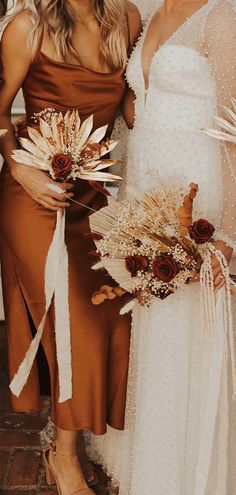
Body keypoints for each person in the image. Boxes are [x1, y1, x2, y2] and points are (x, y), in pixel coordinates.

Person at [90, 1, 236, 494]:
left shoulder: (221, 17)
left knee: (188, 324)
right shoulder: (152, 15)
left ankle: (184, 471)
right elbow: (140, 106)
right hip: (147, 191)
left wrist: (229, 237)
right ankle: (151, 458)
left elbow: (235, 131)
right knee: (151, 322)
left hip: (199, 195)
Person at [0, 1, 141, 494]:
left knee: (114, 312)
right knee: (73, 318)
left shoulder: (125, 18)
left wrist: (167, 123)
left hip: (93, 191)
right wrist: (19, 167)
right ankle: (64, 458)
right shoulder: (28, 24)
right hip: (32, 192)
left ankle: (70, 437)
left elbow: (127, 103)